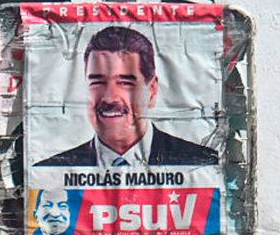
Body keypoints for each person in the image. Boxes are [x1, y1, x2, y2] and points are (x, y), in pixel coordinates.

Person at [35, 26, 218, 167]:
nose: (110, 98)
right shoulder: (53, 170)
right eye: (97, 82)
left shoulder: (199, 163)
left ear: (152, 90)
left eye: (125, 83)